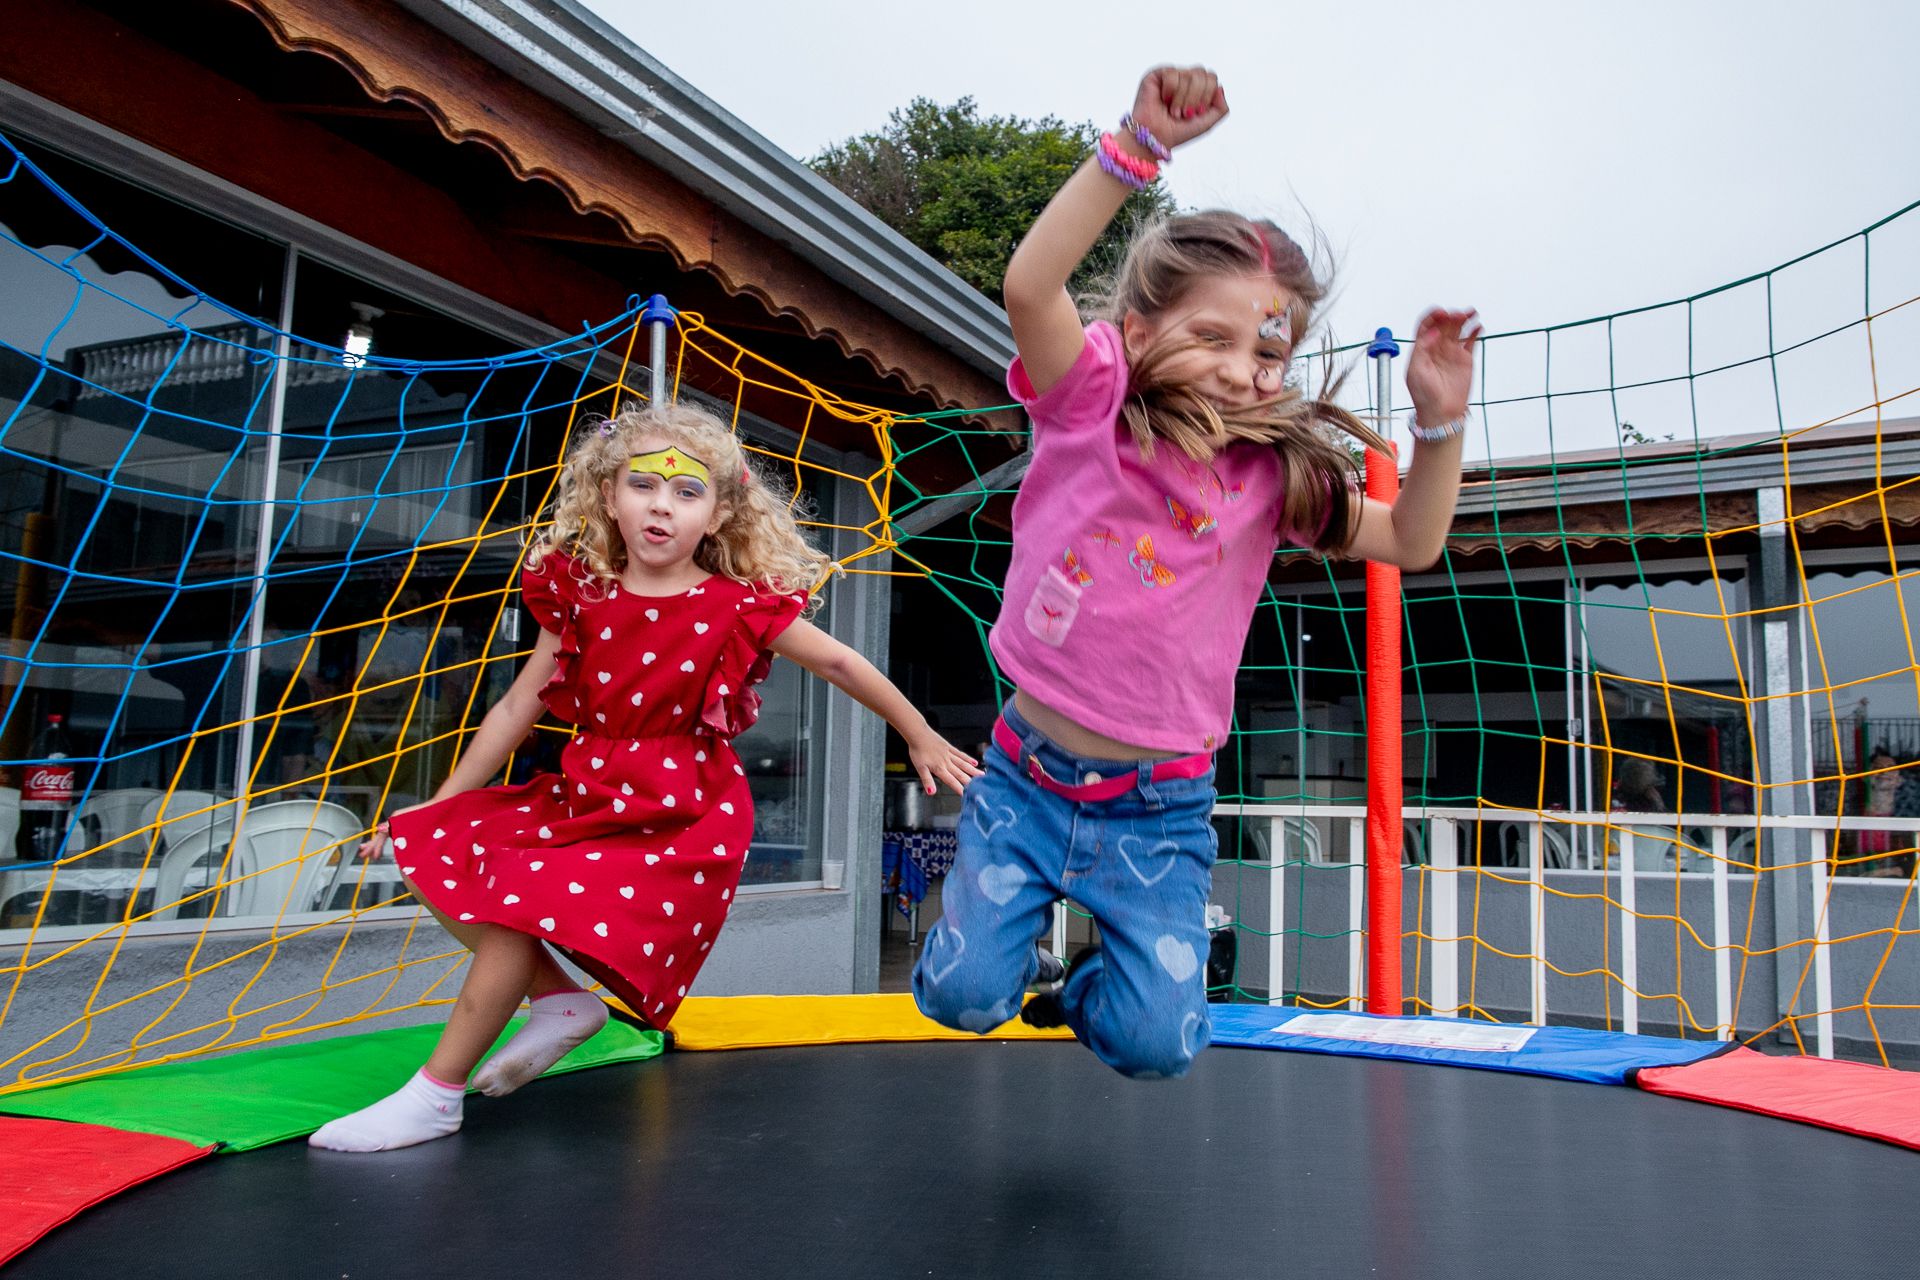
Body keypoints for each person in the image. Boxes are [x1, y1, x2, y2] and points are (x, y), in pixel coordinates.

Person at [911, 65, 1479, 1079]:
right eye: (1210, 335)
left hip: (1158, 806)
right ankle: (1001, 959)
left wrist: (1438, 424)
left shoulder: (1271, 476)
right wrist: (1137, 146)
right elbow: (1028, 285)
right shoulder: (1089, 400)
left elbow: (1413, 541)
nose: (1240, 367)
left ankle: (1084, 994)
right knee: (960, 997)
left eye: (1267, 351)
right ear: (1136, 330)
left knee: (1158, 1043)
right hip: (1026, 778)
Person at [311, 402, 979, 1152]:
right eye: (644, 486)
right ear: (608, 496)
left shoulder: (733, 606)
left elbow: (839, 661)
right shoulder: (581, 596)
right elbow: (514, 710)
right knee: (429, 846)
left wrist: (918, 731)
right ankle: (561, 1002)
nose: (662, 505)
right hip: (588, 794)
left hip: (679, 814)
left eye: (686, 492)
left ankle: (436, 1095)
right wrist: (435, 807)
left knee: (516, 901)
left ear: (720, 513)